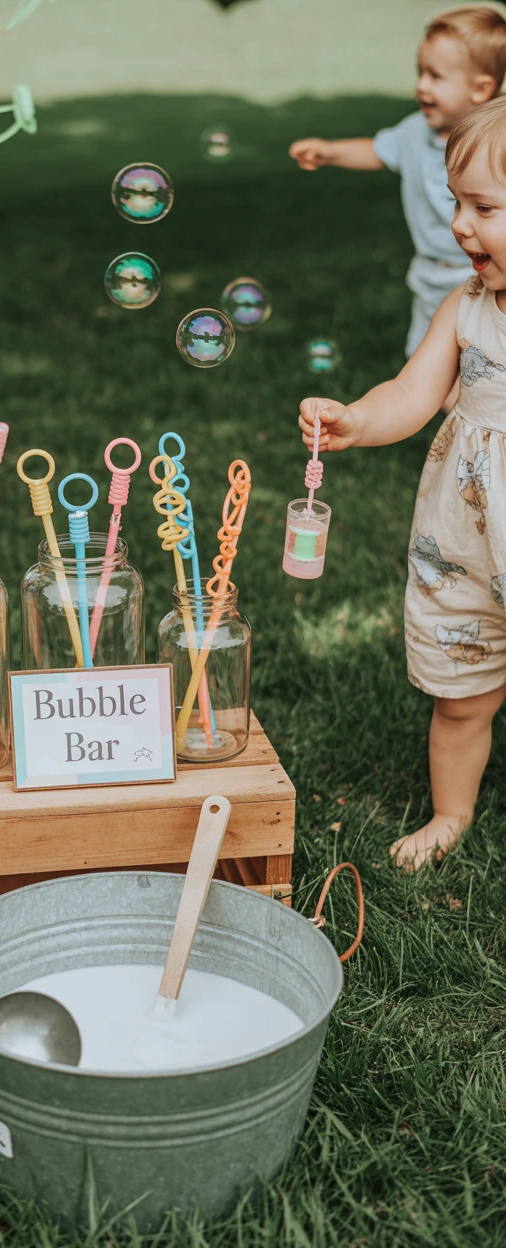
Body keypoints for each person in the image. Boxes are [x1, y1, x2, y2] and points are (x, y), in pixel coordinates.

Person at [298, 96, 506, 870]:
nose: (460, 224)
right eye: (457, 202)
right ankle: (451, 814)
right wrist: (356, 417)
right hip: (466, 549)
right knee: (461, 698)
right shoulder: (464, 309)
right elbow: (413, 394)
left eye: (484, 207)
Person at [290, 6, 506, 358]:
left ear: (480, 88)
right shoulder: (413, 133)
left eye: (436, 76)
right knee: (426, 366)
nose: (421, 85)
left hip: (483, 274)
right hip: (430, 276)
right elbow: (376, 150)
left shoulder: (496, 145)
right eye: (420, 72)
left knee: (480, 367)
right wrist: (329, 152)